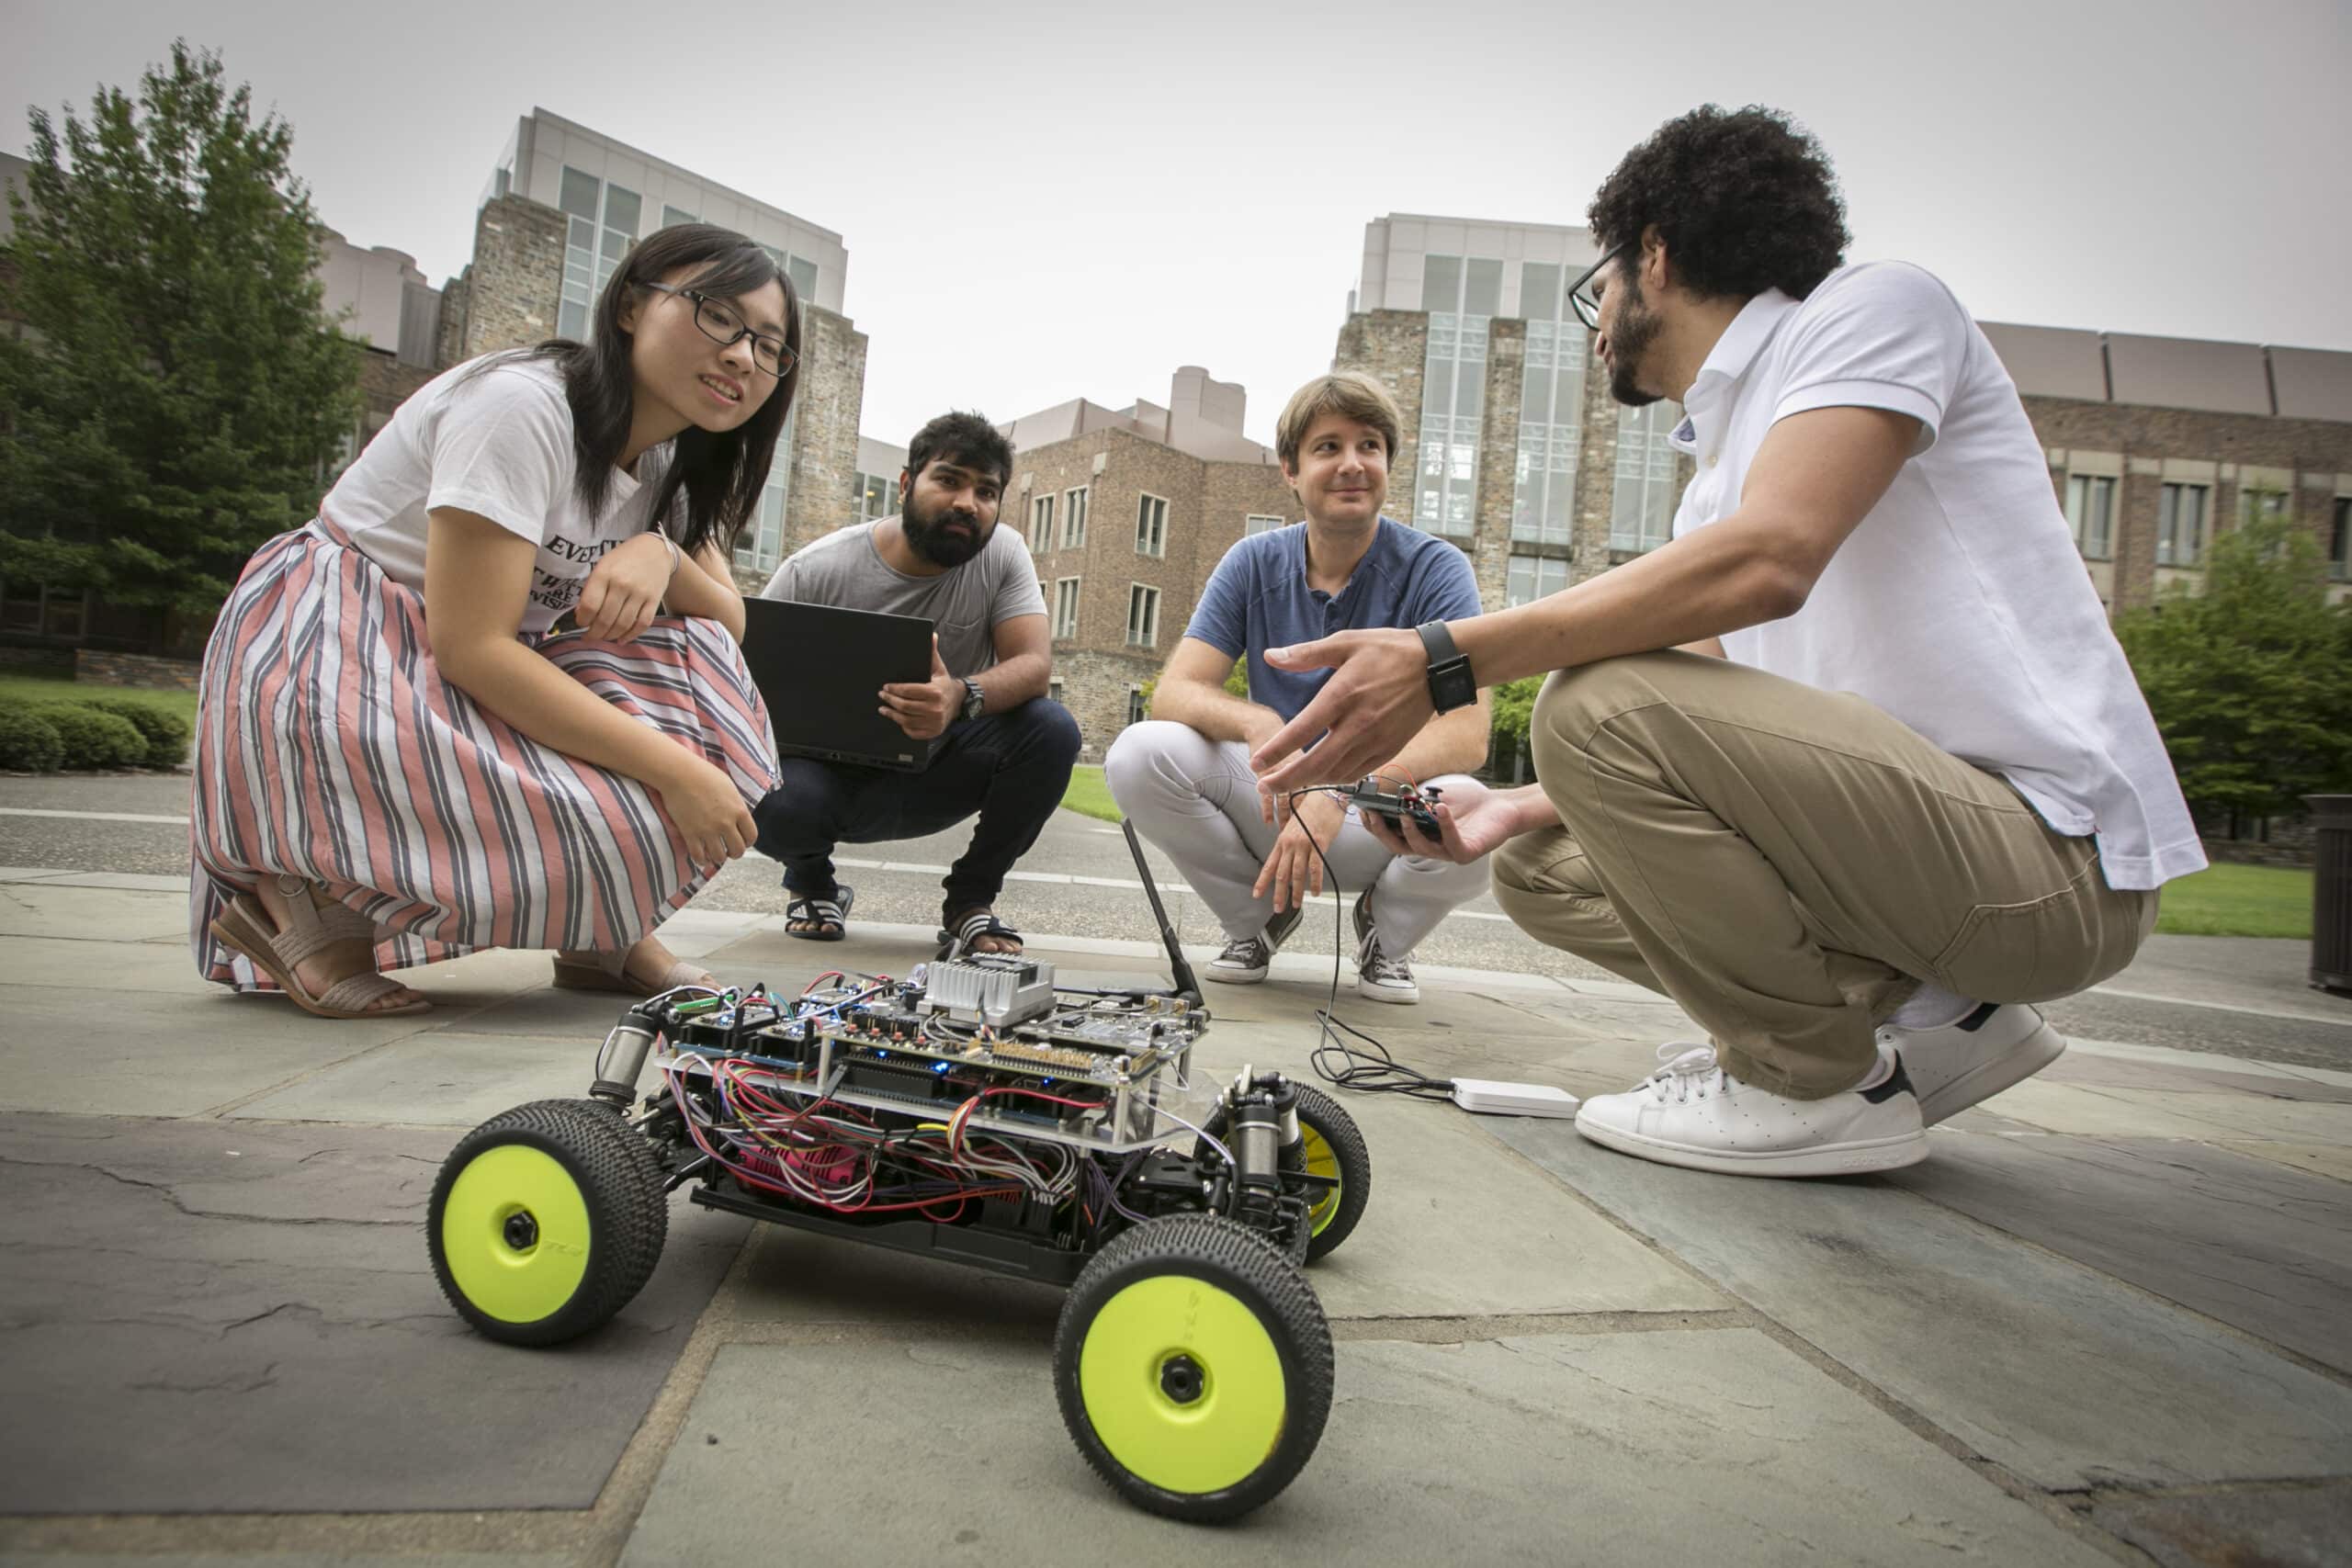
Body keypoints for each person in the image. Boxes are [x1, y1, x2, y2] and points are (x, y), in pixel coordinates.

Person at [1256, 106, 2202, 1174]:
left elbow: (1778, 556)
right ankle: (1934, 1023)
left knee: (1592, 702)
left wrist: (1443, 656)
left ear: (1652, 255)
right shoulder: (1718, 470)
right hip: (1918, 866)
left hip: (2045, 861)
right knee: (1540, 865)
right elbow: (1698, 716)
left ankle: (1812, 1081)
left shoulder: (1874, 310)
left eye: (1596, 288)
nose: (1597, 319)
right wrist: (1508, 807)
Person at [191, 224, 792, 1018]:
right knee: (670, 760)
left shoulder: (668, 467)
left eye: (768, 344)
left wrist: (661, 554)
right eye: (717, 315)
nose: (743, 356)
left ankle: (603, 921)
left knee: (696, 650)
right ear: (629, 305)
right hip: (338, 654)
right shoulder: (522, 405)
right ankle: (303, 890)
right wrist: (676, 772)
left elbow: (728, 626)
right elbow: (471, 647)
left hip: (466, 662)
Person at [1105, 373, 1492, 1005]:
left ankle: (1386, 935)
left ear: (1389, 463)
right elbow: (1176, 691)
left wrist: (1343, 789)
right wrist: (1261, 725)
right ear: (1290, 468)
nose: (1352, 464)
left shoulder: (1436, 568)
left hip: (1379, 815)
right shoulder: (1252, 561)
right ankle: (1256, 921)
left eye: (1369, 445)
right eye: (1328, 447)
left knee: (1475, 811)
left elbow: (1466, 730)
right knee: (1139, 752)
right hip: (1274, 803)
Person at [751, 412, 1078, 957]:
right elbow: (742, 694)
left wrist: (959, 696)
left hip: (941, 770)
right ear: (906, 484)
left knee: (1052, 729)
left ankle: (970, 902)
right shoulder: (814, 571)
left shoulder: (1002, 553)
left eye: (986, 491)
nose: (967, 503)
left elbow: (1034, 666)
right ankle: (810, 882)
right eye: (949, 480)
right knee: (760, 786)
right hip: (827, 784)